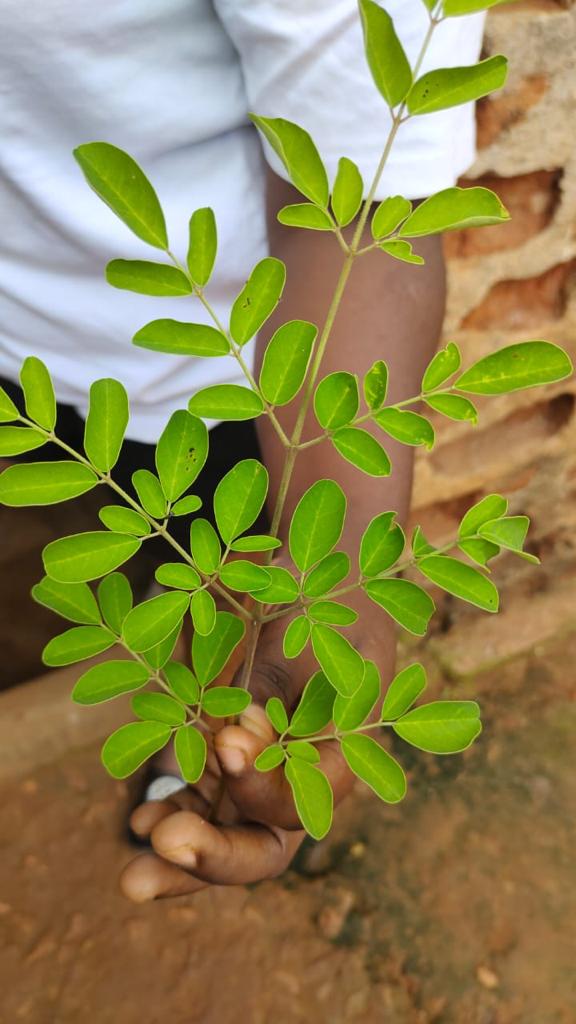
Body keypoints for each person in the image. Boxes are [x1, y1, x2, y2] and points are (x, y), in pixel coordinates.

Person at [0, 1, 485, 901]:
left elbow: (366, 222)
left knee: (217, 620)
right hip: (31, 370)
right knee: (79, 585)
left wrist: (335, 600)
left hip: (228, 376)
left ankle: (196, 760)